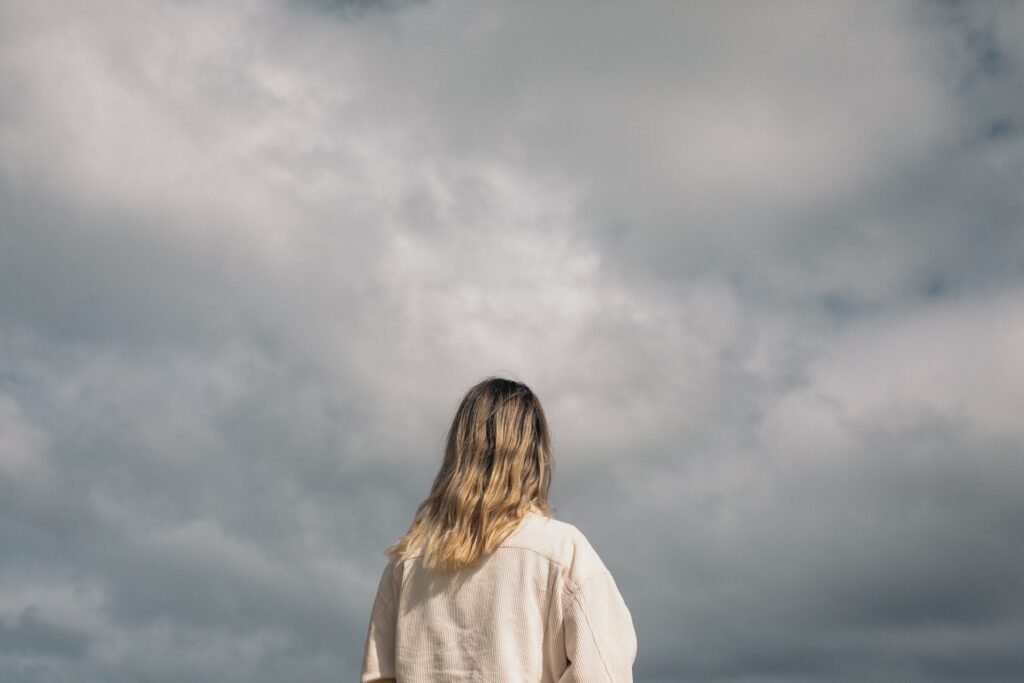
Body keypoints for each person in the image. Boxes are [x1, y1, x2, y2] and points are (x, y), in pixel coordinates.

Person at [360, 376, 638, 682]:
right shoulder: (564, 552)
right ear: (534, 453)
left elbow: (378, 677)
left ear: (459, 449)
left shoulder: (408, 561)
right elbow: (604, 673)